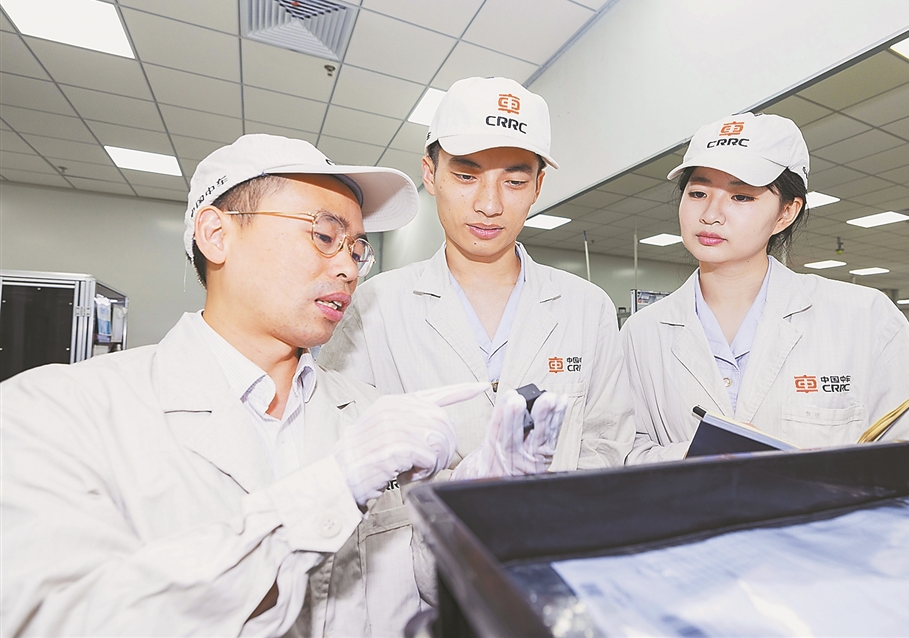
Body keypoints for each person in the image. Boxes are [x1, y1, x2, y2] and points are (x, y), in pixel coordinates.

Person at [0, 134, 494, 637]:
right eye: (325, 235)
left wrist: (477, 515)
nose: (348, 268)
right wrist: (329, 491)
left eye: (357, 248)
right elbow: (57, 620)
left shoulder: (370, 415)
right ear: (216, 234)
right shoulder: (55, 413)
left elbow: (423, 589)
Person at [320, 76, 633, 476]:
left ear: (538, 186)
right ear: (430, 174)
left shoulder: (588, 308)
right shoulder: (372, 307)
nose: (489, 204)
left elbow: (608, 444)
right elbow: (342, 447)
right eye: (466, 177)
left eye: (514, 182)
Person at [621, 113, 909, 463]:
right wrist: (692, 457)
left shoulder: (865, 317)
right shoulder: (641, 332)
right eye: (697, 192)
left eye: (742, 197)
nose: (711, 214)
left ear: (786, 212)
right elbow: (622, 452)